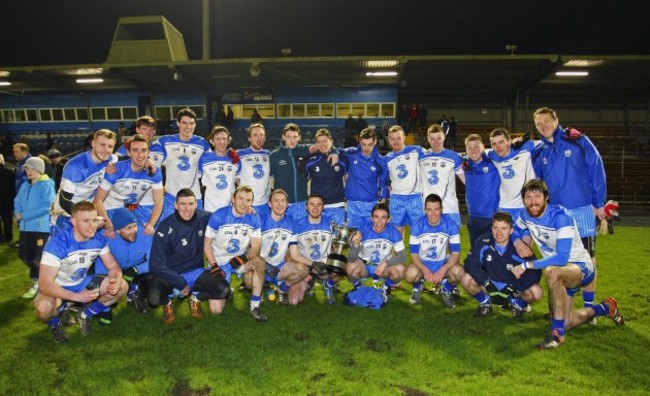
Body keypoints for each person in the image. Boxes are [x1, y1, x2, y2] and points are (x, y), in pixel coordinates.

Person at [511, 179, 624, 350]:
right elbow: (515, 230)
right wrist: (518, 240)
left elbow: (562, 258)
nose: (533, 201)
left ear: (546, 197)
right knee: (566, 322)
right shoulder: (525, 215)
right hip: (560, 273)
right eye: (528, 197)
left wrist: (526, 266)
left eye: (537, 196)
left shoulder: (560, 217)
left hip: (581, 267)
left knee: (551, 271)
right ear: (524, 200)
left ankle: (557, 336)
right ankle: (606, 308)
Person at [532, 107, 607, 322]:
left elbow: (596, 166)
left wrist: (598, 202)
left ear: (556, 121)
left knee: (588, 260)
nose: (543, 126)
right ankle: (564, 309)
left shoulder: (577, 140)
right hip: (557, 214)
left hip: (582, 210)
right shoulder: (539, 152)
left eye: (547, 121)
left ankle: (590, 308)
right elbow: (539, 185)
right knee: (565, 261)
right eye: (539, 123)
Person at [34, 201, 128, 343]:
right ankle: (55, 323)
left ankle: (85, 315)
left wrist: (116, 279)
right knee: (43, 308)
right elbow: (45, 284)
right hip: (57, 286)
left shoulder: (98, 239)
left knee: (122, 287)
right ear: (73, 222)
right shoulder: (58, 243)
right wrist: (77, 297)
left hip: (82, 283)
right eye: (85, 221)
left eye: (94, 220)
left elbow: (113, 266)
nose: (92, 226)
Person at [147, 189, 230, 324]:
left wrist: (248, 212)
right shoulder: (165, 226)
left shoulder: (204, 218)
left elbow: (227, 217)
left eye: (191, 204)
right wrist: (180, 283)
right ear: (175, 205)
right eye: (183, 204)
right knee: (153, 299)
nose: (187, 209)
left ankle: (196, 299)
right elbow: (155, 264)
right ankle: (167, 303)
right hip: (171, 273)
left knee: (224, 290)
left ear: (196, 204)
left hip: (195, 272)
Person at [460, 212, 543, 319]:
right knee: (465, 279)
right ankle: (485, 303)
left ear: (511, 230)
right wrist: (485, 281)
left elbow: (535, 272)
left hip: (512, 289)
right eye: (495, 228)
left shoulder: (520, 248)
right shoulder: (484, 241)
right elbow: (470, 262)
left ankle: (517, 305)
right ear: (491, 228)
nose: (498, 232)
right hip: (489, 285)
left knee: (537, 292)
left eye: (504, 228)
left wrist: (515, 287)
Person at [203, 185, 268, 321]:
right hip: (220, 263)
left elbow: (256, 246)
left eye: (248, 200)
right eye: (240, 199)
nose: (244, 203)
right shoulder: (219, 215)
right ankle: (225, 289)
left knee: (260, 262)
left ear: (252, 203)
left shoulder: (254, 217)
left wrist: (245, 257)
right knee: (216, 310)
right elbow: (206, 245)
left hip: (240, 261)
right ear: (233, 199)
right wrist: (214, 265)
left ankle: (255, 306)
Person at [92, 134, 164, 242]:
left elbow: (159, 201)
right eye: (135, 150)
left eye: (144, 150)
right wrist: (108, 225)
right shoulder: (115, 170)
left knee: (149, 236)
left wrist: (151, 224)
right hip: (111, 209)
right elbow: (97, 201)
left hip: (132, 208)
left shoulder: (154, 172)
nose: (140, 155)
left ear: (149, 153)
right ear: (128, 153)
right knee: (112, 240)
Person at [260, 189, 325, 306]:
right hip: (260, 265)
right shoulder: (259, 221)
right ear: (270, 204)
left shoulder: (292, 224)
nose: (280, 204)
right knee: (249, 280)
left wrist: (313, 264)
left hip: (280, 266)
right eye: (276, 201)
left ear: (287, 204)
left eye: (283, 201)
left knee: (303, 269)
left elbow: (295, 254)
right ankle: (258, 290)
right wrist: (264, 264)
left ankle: (281, 288)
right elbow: (251, 249)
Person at [94, 208, 154, 324]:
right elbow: (101, 269)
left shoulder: (146, 235)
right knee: (97, 286)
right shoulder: (108, 238)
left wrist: (136, 269)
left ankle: (137, 291)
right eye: (128, 228)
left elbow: (155, 261)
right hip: (114, 270)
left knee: (154, 275)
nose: (133, 231)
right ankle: (105, 307)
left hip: (137, 269)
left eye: (134, 226)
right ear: (116, 231)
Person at [51, 129, 118, 232]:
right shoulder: (76, 167)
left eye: (110, 146)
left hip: (87, 213)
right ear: (93, 143)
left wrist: (147, 162)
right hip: (66, 215)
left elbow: (125, 159)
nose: (106, 150)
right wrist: (88, 218)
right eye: (102, 145)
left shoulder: (110, 159)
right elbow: (64, 201)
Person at [406, 194, 464, 308]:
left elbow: (456, 254)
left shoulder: (451, 225)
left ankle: (446, 289)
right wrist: (424, 269)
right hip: (423, 262)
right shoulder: (417, 226)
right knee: (409, 274)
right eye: (429, 210)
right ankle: (418, 287)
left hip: (442, 261)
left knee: (459, 272)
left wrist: (443, 269)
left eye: (436, 209)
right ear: (425, 210)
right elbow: (414, 254)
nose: (433, 214)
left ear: (442, 209)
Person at [270, 123, 333, 221]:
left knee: (301, 234)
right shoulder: (274, 156)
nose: (292, 140)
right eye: (289, 137)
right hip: (282, 206)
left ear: (299, 137)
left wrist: (334, 152)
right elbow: (265, 179)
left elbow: (325, 146)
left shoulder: (305, 151)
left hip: (301, 204)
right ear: (283, 137)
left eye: (295, 137)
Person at [345, 203, 406, 302]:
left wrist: (385, 263)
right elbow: (351, 258)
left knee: (401, 269)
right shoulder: (363, 229)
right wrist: (356, 244)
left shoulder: (393, 231)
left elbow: (402, 257)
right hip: (364, 266)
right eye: (376, 217)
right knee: (349, 268)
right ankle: (359, 288)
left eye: (383, 217)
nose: (379, 221)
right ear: (371, 218)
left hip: (383, 268)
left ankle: (385, 288)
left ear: (388, 219)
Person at [157, 108, 210, 219]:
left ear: (195, 124)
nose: (188, 127)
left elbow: (211, 164)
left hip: (194, 196)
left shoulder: (203, 143)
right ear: (178, 123)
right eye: (184, 123)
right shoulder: (165, 141)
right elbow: (148, 157)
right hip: (171, 197)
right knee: (167, 230)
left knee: (196, 232)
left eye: (191, 123)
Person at [14, 157, 55, 298]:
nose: (29, 172)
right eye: (27, 169)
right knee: (24, 255)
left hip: (40, 229)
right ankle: (45, 277)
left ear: (39, 170)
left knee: (37, 257)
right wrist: (17, 213)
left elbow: (47, 206)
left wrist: (24, 215)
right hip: (25, 228)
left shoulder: (46, 185)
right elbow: (17, 200)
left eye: (32, 169)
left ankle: (36, 283)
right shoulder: (26, 185)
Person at [339, 128, 389, 228]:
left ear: (375, 142)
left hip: (371, 204)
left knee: (370, 238)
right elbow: (336, 151)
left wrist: (383, 198)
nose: (366, 148)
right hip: (353, 203)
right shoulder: (351, 153)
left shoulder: (380, 161)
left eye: (369, 144)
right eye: (363, 144)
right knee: (353, 237)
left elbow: (384, 181)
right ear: (359, 141)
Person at [419, 124, 465, 228]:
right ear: (428, 139)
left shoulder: (454, 157)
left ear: (444, 137)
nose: (436, 142)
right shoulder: (421, 157)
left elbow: (466, 180)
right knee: (430, 242)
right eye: (432, 139)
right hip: (429, 210)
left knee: (452, 242)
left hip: (449, 207)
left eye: (439, 138)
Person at [292, 194, 336, 303]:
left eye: (319, 204)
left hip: (324, 264)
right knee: (294, 301)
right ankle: (310, 281)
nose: (315, 208)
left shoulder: (331, 224)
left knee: (342, 265)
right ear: (306, 207)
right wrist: (311, 266)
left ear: (323, 207)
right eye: (312, 204)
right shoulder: (297, 225)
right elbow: (292, 253)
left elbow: (335, 248)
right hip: (305, 265)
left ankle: (328, 285)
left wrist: (327, 262)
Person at [488, 127, 538, 218]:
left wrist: (524, 140)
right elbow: (474, 154)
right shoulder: (492, 156)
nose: (498, 147)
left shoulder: (526, 149)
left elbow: (548, 141)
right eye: (494, 144)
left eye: (501, 142)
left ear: (509, 141)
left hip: (525, 206)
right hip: (503, 207)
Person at [384, 125, 425, 234]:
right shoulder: (386, 158)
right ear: (388, 140)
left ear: (404, 138)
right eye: (392, 139)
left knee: (418, 235)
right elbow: (383, 178)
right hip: (396, 199)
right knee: (396, 236)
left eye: (398, 138)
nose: (395, 141)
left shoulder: (416, 151)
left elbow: (432, 157)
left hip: (415, 198)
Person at [462, 134, 500, 246]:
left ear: (483, 147)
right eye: (470, 147)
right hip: (473, 217)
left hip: (491, 217)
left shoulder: (493, 162)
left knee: (493, 254)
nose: (473, 151)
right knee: (476, 253)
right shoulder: (465, 164)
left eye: (476, 147)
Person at [306, 128, 347, 224]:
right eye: (319, 142)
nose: (322, 144)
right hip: (318, 208)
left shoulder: (342, 160)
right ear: (316, 144)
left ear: (331, 141)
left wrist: (335, 151)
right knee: (319, 237)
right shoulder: (310, 161)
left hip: (337, 205)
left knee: (337, 237)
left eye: (325, 141)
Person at [199, 126, 240, 212]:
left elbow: (240, 182)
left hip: (229, 208)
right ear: (212, 141)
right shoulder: (203, 158)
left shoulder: (235, 159)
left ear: (228, 141)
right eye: (217, 139)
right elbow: (195, 177)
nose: (221, 142)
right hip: (210, 208)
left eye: (224, 138)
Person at [237, 123, 272, 218]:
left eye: (261, 135)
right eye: (255, 135)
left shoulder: (269, 155)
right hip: (247, 205)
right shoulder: (239, 155)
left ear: (264, 138)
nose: (259, 138)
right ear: (249, 138)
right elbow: (235, 179)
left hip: (265, 205)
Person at [0, 154, 16, 244]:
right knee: (7, 219)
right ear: (3, 161)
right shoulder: (10, 173)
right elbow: (14, 188)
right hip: (7, 200)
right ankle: (8, 236)